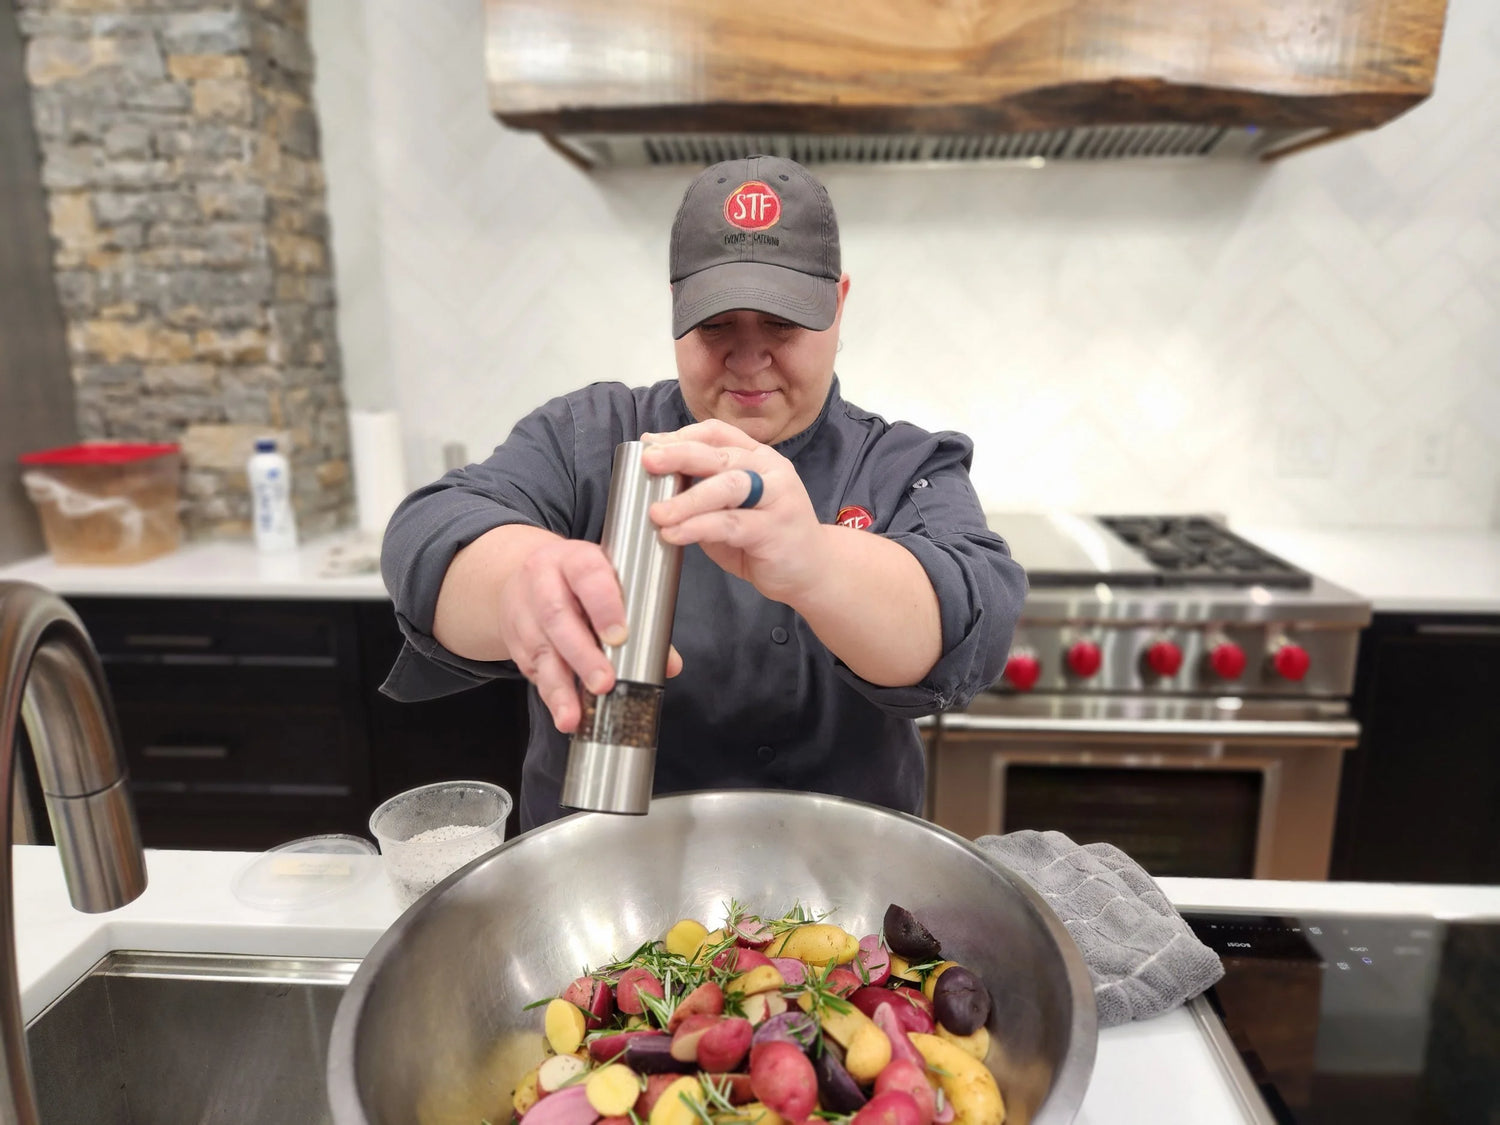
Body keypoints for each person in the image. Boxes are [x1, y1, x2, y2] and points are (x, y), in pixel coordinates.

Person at [379, 155, 1027, 832]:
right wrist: (518, 580)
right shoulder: (593, 436)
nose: (748, 359)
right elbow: (428, 532)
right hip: (595, 893)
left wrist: (819, 563)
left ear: (837, 304)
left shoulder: (897, 462)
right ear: (676, 307)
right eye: (717, 324)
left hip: (839, 896)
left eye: (782, 323)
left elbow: (975, 616)